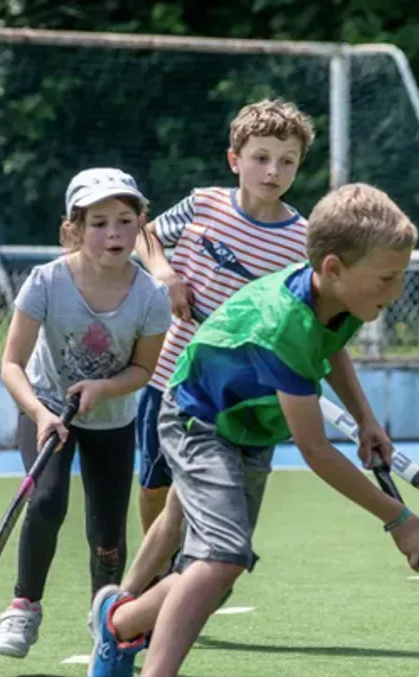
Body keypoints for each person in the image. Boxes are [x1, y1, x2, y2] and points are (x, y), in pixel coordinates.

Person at [86, 183, 419, 677]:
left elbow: (333, 346)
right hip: (200, 423)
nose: (396, 291)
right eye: (387, 277)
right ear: (332, 266)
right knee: (220, 556)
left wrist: (366, 418)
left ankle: (120, 624)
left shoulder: (341, 298)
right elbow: (318, 452)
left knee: (215, 579)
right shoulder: (283, 327)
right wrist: (397, 518)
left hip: (247, 428)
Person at [124, 98, 316, 595]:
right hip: (170, 374)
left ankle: (192, 578)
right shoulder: (203, 203)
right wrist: (164, 273)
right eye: (261, 157)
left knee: (214, 493)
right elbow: (146, 235)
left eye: (287, 160)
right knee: (155, 486)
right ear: (236, 160)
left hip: (237, 395)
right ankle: (161, 578)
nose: (273, 171)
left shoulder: (303, 241)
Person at [0, 168, 172, 658]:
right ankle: (23, 607)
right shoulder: (46, 282)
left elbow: (142, 370)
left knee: (107, 532)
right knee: (46, 502)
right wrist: (41, 414)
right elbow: (10, 364)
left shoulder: (151, 295)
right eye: (99, 222)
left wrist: (105, 387)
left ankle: (106, 619)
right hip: (47, 408)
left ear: (141, 225)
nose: (114, 233)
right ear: (74, 227)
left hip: (112, 419)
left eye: (125, 220)